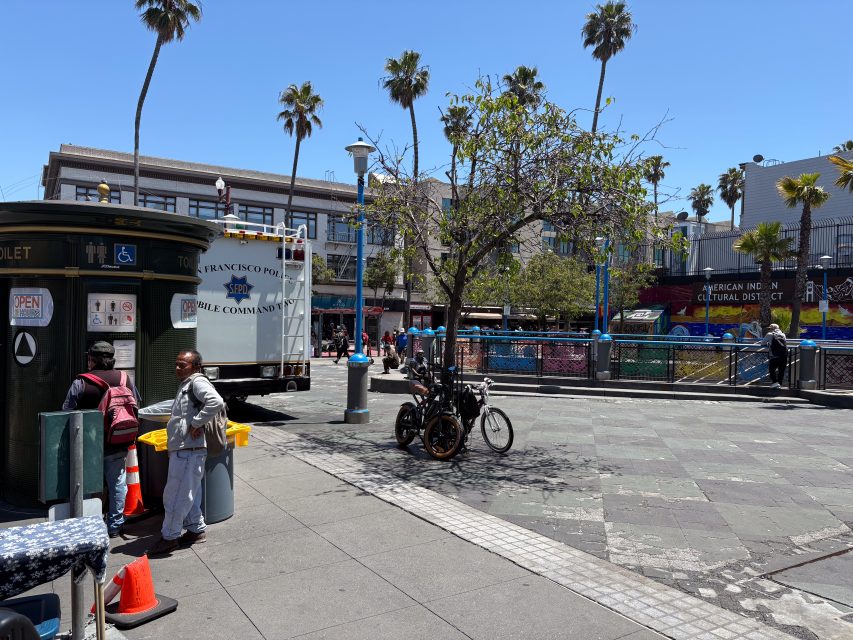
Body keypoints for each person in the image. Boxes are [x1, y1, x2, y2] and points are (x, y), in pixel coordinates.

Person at [148, 350, 225, 556]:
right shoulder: (187, 384)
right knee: (189, 493)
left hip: (189, 450)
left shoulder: (197, 382)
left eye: (183, 365)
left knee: (175, 495)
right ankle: (195, 530)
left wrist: (196, 422)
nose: (177, 368)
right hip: (186, 450)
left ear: (196, 367)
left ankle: (170, 537)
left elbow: (216, 401)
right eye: (176, 364)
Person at [62, 341, 141, 539]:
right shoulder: (125, 379)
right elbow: (137, 404)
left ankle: (89, 525)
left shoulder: (81, 382)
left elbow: (66, 412)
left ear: (91, 360)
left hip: (88, 445)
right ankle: (114, 526)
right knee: (117, 484)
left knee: (86, 485)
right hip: (118, 442)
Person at [762, 323, 788, 389]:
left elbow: (762, 343)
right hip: (783, 355)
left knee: (772, 369)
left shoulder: (769, 334)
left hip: (774, 356)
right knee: (781, 371)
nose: (769, 330)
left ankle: (775, 382)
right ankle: (780, 384)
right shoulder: (783, 334)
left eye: (769, 328)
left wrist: (768, 343)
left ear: (772, 329)